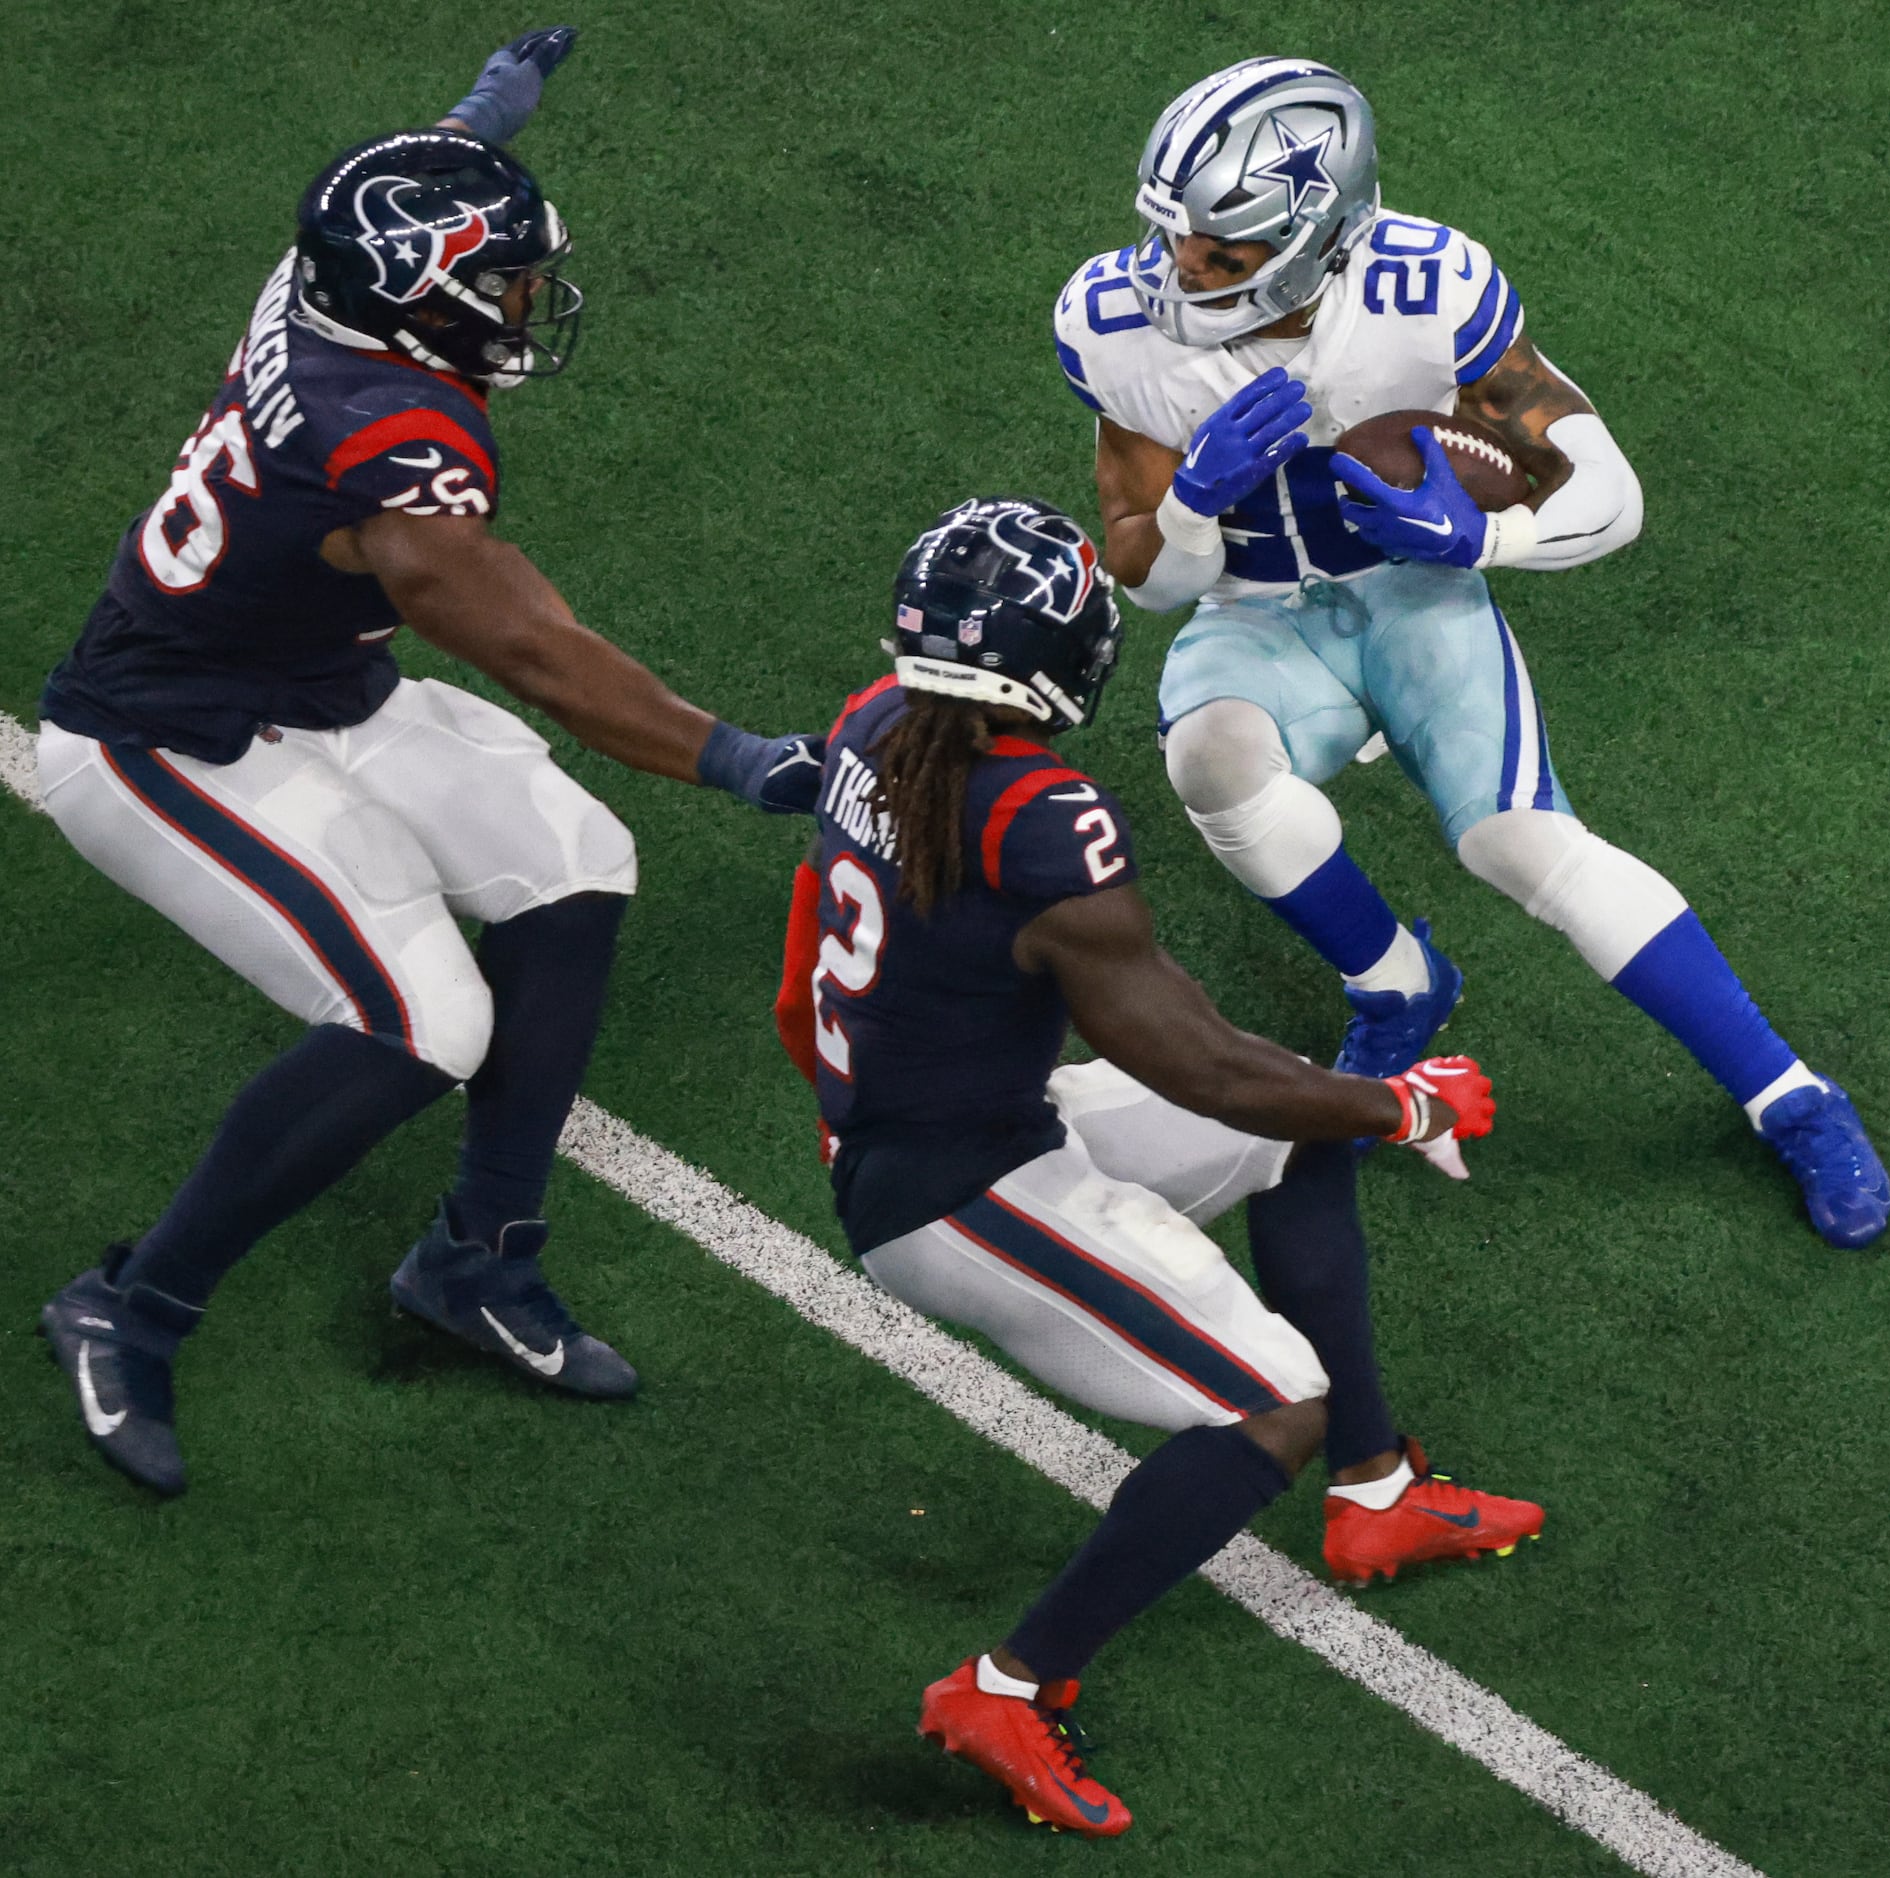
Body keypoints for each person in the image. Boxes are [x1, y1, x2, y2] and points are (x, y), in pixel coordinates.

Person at [34, 31, 823, 1497]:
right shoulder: (393, 444)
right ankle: (130, 1301)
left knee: (577, 862)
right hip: (162, 740)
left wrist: (476, 119)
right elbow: (532, 650)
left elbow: (382, 206)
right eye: (508, 280)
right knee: (417, 1020)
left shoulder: (319, 280)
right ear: (432, 301)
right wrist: (748, 763)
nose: (529, 303)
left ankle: (477, 1259)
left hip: (303, 681)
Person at [773, 496, 1536, 1836]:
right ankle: (1007, 1683)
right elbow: (1201, 1066)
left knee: (1294, 1127)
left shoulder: (868, 727)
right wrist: (1400, 1105)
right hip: (963, 1192)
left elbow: (801, 977)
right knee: (1267, 1403)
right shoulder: (1045, 821)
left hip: (946, 1127)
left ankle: (1376, 1493)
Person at [1052, 57, 1887, 1247]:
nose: (1184, 268)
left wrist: (1487, 534)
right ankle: (1395, 981)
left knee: (1522, 842)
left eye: (1223, 254)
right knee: (1211, 762)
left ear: (1317, 237)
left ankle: (1790, 1096)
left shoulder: (1423, 287)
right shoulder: (1114, 321)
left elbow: (1611, 491)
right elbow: (1146, 576)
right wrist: (1193, 503)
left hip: (1412, 596)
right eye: (1176, 234)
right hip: (1258, 613)